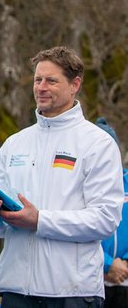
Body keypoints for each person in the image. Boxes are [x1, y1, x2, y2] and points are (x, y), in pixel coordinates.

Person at [0, 46, 123, 308]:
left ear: (75, 85)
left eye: (51, 80)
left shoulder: (98, 144)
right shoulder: (14, 144)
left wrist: (40, 220)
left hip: (72, 293)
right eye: (38, 80)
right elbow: (0, 224)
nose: (41, 87)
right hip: (16, 292)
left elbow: (105, 219)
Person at [96, 117, 128, 308]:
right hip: (91, 280)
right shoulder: (78, 186)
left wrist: (124, 265)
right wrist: (107, 264)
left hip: (125, 280)